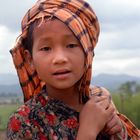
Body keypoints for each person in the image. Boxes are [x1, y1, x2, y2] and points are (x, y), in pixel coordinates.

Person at [6, 0, 140, 139]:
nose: (60, 58)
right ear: (30, 60)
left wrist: (118, 130)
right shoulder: (24, 123)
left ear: (88, 52)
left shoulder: (100, 100)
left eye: (71, 45)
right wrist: (88, 131)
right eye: (46, 48)